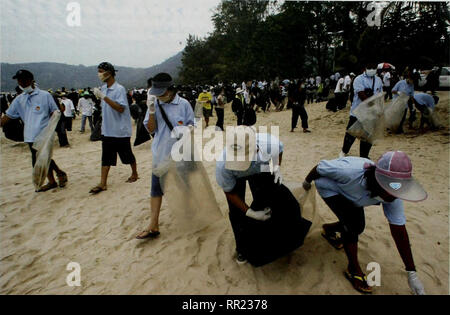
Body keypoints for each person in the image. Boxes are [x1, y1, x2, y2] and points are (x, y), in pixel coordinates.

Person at [302, 151, 427, 294]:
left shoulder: (394, 196)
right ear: (377, 180)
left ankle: (329, 229)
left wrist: (412, 273)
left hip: (354, 195)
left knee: (357, 224)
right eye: (390, 187)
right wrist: (305, 185)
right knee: (354, 225)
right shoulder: (348, 172)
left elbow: (399, 230)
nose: (394, 195)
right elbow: (319, 168)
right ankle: (353, 269)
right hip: (330, 188)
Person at [136, 73, 195, 239]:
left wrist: (188, 130)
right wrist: (152, 111)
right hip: (160, 154)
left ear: (171, 90)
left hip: (181, 153)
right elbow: (150, 129)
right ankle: (153, 224)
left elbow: (192, 124)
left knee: (184, 184)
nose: (160, 95)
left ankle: (188, 212)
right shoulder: (154, 104)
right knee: (156, 189)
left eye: (162, 92)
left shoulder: (183, 104)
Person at [216, 126, 284, 264]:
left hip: (260, 169)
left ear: (257, 149)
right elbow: (229, 192)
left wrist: (277, 168)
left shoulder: (269, 144)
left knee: (265, 201)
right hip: (236, 176)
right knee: (237, 213)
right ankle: (242, 248)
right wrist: (250, 212)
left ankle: (266, 237)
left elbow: (280, 150)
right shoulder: (223, 165)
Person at [0, 70, 68, 192]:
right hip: (29, 135)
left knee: (40, 158)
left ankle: (53, 180)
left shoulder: (45, 95)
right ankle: (58, 174)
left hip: (45, 134)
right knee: (41, 158)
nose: (21, 82)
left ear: (31, 80)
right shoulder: (19, 99)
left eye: (23, 80)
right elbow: (8, 116)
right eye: (19, 80)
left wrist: (52, 127)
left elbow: (55, 111)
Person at [89, 62, 138, 194]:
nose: (99, 74)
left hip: (120, 130)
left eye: (101, 71)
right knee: (106, 157)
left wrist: (104, 97)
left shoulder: (119, 89)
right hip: (107, 130)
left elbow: (121, 108)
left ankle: (134, 173)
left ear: (108, 73)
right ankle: (103, 183)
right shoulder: (103, 88)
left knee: (127, 155)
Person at [340, 61, 383, 159]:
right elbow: (361, 95)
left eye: (373, 67)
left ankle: (364, 156)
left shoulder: (378, 80)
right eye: (369, 67)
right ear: (365, 68)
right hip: (357, 112)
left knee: (367, 135)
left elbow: (380, 95)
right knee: (351, 133)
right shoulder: (358, 79)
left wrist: (379, 109)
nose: (371, 69)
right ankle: (344, 151)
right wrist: (373, 103)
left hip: (371, 114)